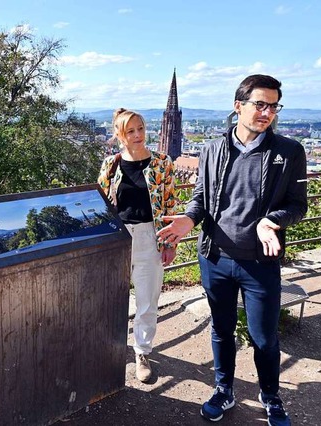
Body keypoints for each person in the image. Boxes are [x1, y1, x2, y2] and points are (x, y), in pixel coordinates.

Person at [157, 74, 307, 425]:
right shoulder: (212, 149)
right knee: (221, 329)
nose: (267, 112)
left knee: (264, 336)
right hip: (215, 258)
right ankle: (224, 390)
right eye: (260, 104)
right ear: (238, 106)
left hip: (260, 262)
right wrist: (188, 221)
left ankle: (271, 396)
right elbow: (201, 201)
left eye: (273, 106)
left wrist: (272, 220)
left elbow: (299, 206)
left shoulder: (289, 152)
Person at [98, 108, 178, 383]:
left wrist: (169, 242)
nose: (138, 135)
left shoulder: (162, 163)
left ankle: (142, 352)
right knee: (111, 298)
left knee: (147, 299)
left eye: (141, 129)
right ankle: (109, 349)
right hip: (117, 238)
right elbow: (101, 204)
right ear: (119, 135)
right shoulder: (111, 164)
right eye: (130, 131)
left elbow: (169, 205)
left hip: (149, 237)